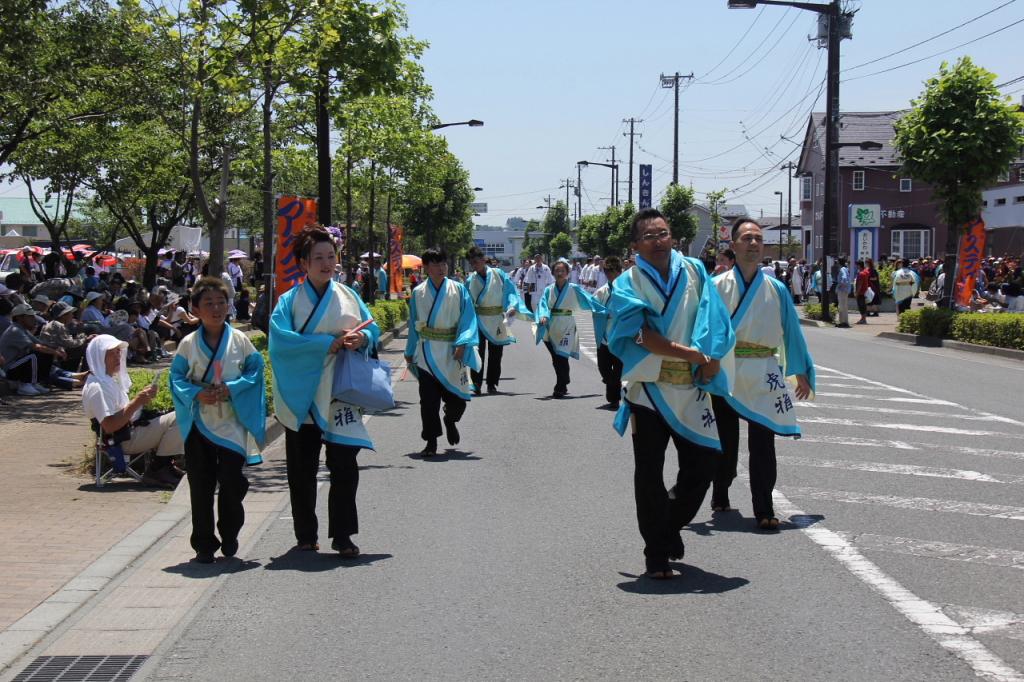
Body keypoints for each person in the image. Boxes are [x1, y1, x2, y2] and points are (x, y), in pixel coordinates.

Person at [606, 208, 735, 579]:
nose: (658, 241)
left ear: (673, 236)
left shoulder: (694, 270)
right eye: (649, 236)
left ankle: (667, 527)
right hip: (649, 389)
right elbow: (638, 336)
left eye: (662, 233)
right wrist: (689, 353)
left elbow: (713, 317)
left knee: (704, 466)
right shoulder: (628, 284)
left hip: (692, 385)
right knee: (649, 474)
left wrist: (710, 357)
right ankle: (656, 554)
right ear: (634, 246)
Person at [270, 226, 380, 557]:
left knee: (345, 466)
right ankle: (306, 534)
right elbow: (280, 343)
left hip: (340, 392)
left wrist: (364, 339)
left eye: (330, 256)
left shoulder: (348, 295)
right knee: (301, 470)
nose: (326, 263)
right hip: (302, 395)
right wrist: (324, 344)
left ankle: (343, 534)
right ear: (304, 263)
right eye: (318, 257)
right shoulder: (288, 301)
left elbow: (371, 327)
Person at [709, 217, 814, 530]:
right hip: (726, 371)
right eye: (746, 238)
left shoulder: (777, 289)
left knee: (763, 442)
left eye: (758, 238)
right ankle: (721, 488)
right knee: (725, 443)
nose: (753, 243)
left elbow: (791, 332)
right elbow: (704, 330)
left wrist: (801, 371)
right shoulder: (715, 287)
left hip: (764, 369)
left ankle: (764, 506)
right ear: (734, 245)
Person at [171, 276, 266, 563]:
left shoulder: (240, 340)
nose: (216, 308)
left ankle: (230, 532)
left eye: (221, 302)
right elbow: (175, 378)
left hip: (231, 423)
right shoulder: (188, 344)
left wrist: (232, 388)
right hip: (200, 423)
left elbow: (255, 371)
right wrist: (196, 395)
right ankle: (203, 543)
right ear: (195, 309)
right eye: (208, 303)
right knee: (200, 485)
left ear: (229, 305)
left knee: (232, 481)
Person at [82, 334, 185, 488]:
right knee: (182, 417)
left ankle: (164, 466)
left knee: (178, 413)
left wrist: (141, 401)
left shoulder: (107, 381)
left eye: (118, 352)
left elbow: (122, 412)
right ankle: (158, 469)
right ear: (100, 356)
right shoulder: (97, 387)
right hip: (122, 441)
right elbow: (109, 426)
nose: (118, 357)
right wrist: (137, 402)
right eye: (112, 353)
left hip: (130, 432)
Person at [404, 248, 480, 456]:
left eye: (443, 264)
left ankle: (450, 419)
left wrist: (463, 343)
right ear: (426, 268)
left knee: (458, 401)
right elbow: (413, 324)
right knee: (428, 402)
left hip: (452, 351)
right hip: (426, 352)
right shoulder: (418, 293)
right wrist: (410, 350)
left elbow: (468, 319)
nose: (441, 268)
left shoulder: (459, 289)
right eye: (436, 264)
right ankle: (431, 441)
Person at [465, 246, 526, 395]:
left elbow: (511, 291)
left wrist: (512, 306)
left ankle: (492, 383)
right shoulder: (470, 280)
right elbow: (465, 302)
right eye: (472, 263)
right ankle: (477, 384)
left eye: (476, 261)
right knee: (477, 352)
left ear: (483, 259)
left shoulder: (498, 274)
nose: (475, 265)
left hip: (496, 318)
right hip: (478, 319)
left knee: (496, 354)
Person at [534, 258, 598, 398]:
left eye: (562, 270)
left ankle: (560, 385)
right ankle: (564, 379)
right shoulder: (548, 290)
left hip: (567, 324)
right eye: (557, 270)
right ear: (553, 273)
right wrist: (543, 316)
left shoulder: (573, 288)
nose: (559, 273)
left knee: (561, 357)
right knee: (556, 357)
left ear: (567, 272)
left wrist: (601, 308)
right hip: (551, 325)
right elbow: (543, 305)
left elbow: (590, 299)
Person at [0, 304, 67, 395]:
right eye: (30, 316)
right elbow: (36, 347)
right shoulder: (15, 330)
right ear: (20, 318)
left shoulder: (23, 329)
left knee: (46, 353)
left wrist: (58, 348)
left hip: (17, 365)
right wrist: (56, 352)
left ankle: (33, 383)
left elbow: (42, 343)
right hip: (8, 369)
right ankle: (24, 385)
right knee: (35, 354)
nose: (33, 319)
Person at [591, 255, 623, 409]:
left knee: (617, 370)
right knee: (603, 368)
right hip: (604, 335)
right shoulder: (602, 291)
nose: (609, 275)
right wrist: (602, 313)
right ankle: (612, 385)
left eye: (612, 271)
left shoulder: (627, 289)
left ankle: (614, 399)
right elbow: (593, 307)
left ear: (619, 271)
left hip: (620, 336)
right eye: (607, 272)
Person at [835, 256, 852, 327]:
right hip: (846, 290)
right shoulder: (846, 269)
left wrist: (839, 286)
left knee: (841, 306)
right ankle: (845, 321)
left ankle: (843, 322)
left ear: (839, 262)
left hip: (842, 290)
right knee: (844, 306)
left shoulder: (842, 269)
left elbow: (844, 279)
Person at [854, 259, 870, 324]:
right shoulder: (866, 272)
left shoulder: (861, 274)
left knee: (861, 306)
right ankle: (863, 319)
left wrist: (857, 293)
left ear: (859, 265)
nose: (856, 267)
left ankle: (863, 319)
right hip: (865, 291)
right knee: (863, 306)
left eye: (856, 265)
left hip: (861, 292)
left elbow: (860, 284)